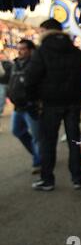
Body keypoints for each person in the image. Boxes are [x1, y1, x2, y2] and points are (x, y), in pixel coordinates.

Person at [26, 18, 81, 191]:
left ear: (46, 31)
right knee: (74, 141)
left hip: (50, 105)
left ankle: (48, 180)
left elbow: (31, 79)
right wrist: (77, 97)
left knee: (49, 142)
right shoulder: (75, 51)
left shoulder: (41, 52)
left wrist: (35, 99)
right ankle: (77, 177)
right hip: (72, 104)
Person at [7, 40, 41, 173]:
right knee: (17, 131)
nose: (19, 51)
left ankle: (38, 162)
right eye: (18, 48)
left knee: (37, 137)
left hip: (31, 106)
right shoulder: (15, 64)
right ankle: (38, 155)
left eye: (23, 49)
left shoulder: (36, 65)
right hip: (18, 107)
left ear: (31, 50)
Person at [0, 56, 12, 131]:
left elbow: (2, 73)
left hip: (3, 83)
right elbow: (2, 73)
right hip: (3, 83)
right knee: (1, 97)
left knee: (2, 97)